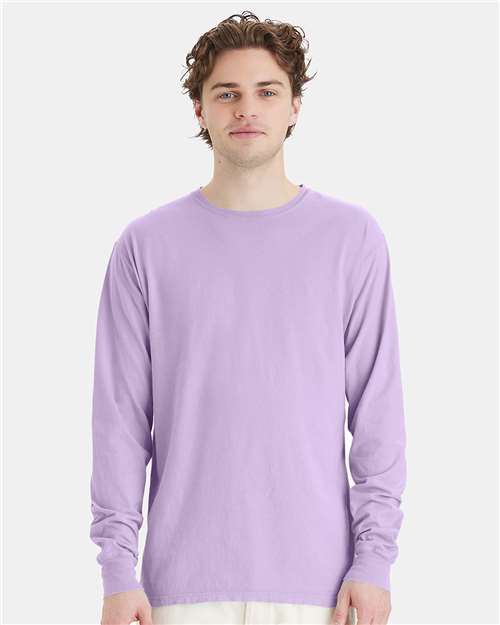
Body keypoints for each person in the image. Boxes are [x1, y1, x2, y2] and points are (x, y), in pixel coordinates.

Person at [89, 11, 407, 625]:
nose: (247, 110)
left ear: (294, 107)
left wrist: (374, 562)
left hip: (322, 589)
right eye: (227, 93)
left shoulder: (352, 239)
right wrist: (117, 571)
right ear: (200, 110)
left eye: (266, 91)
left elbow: (378, 414)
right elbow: (120, 422)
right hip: (177, 591)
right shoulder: (145, 247)